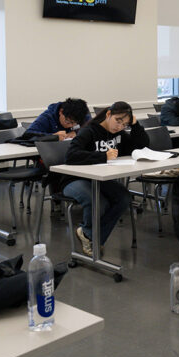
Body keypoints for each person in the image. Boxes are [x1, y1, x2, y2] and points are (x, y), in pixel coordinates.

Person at [62, 102, 149, 256]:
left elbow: (141, 146)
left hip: (99, 178)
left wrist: (135, 125)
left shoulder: (119, 134)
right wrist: (103, 156)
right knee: (97, 201)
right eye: (118, 121)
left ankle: (89, 236)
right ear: (108, 114)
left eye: (125, 124)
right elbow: (71, 156)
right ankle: (92, 239)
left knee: (123, 197)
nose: (120, 127)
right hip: (74, 178)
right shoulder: (89, 131)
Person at [26, 98, 91, 140]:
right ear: (61, 112)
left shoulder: (81, 115)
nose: (70, 126)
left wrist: (76, 132)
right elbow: (28, 134)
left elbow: (91, 126)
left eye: (74, 123)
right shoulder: (47, 117)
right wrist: (53, 136)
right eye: (68, 122)